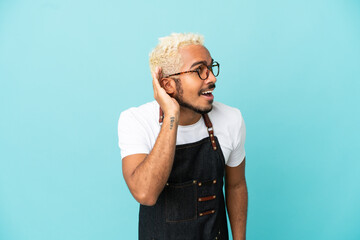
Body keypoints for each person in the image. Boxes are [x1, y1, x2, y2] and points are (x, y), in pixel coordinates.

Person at [118, 33, 247, 240]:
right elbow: (145, 194)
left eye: (211, 68)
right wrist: (171, 114)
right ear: (167, 85)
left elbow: (236, 185)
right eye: (199, 71)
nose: (212, 78)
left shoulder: (231, 119)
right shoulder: (136, 120)